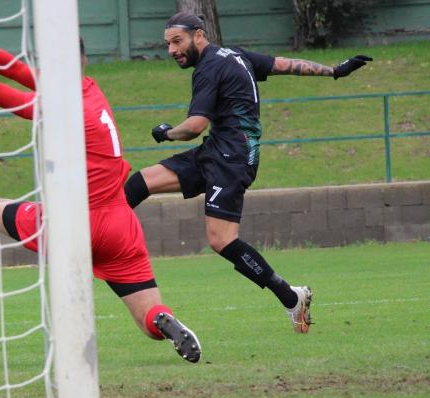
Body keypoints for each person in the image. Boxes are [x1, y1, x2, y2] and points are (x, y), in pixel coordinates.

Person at [0, 0, 202, 363]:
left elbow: (0, 93)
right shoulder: (89, 90)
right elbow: (24, 75)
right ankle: (162, 321)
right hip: (119, 227)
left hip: (73, 225)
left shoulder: (65, 105)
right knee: (147, 313)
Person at [123, 12, 373, 333]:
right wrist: (333, 71)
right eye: (168, 43)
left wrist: (167, 132)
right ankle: (98, 232)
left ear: (199, 35)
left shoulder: (210, 67)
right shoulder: (234, 55)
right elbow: (282, 64)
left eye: (177, 41)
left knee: (221, 240)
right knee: (141, 181)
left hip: (233, 159)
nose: (171, 49)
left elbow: (194, 126)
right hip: (215, 151)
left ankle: (290, 297)